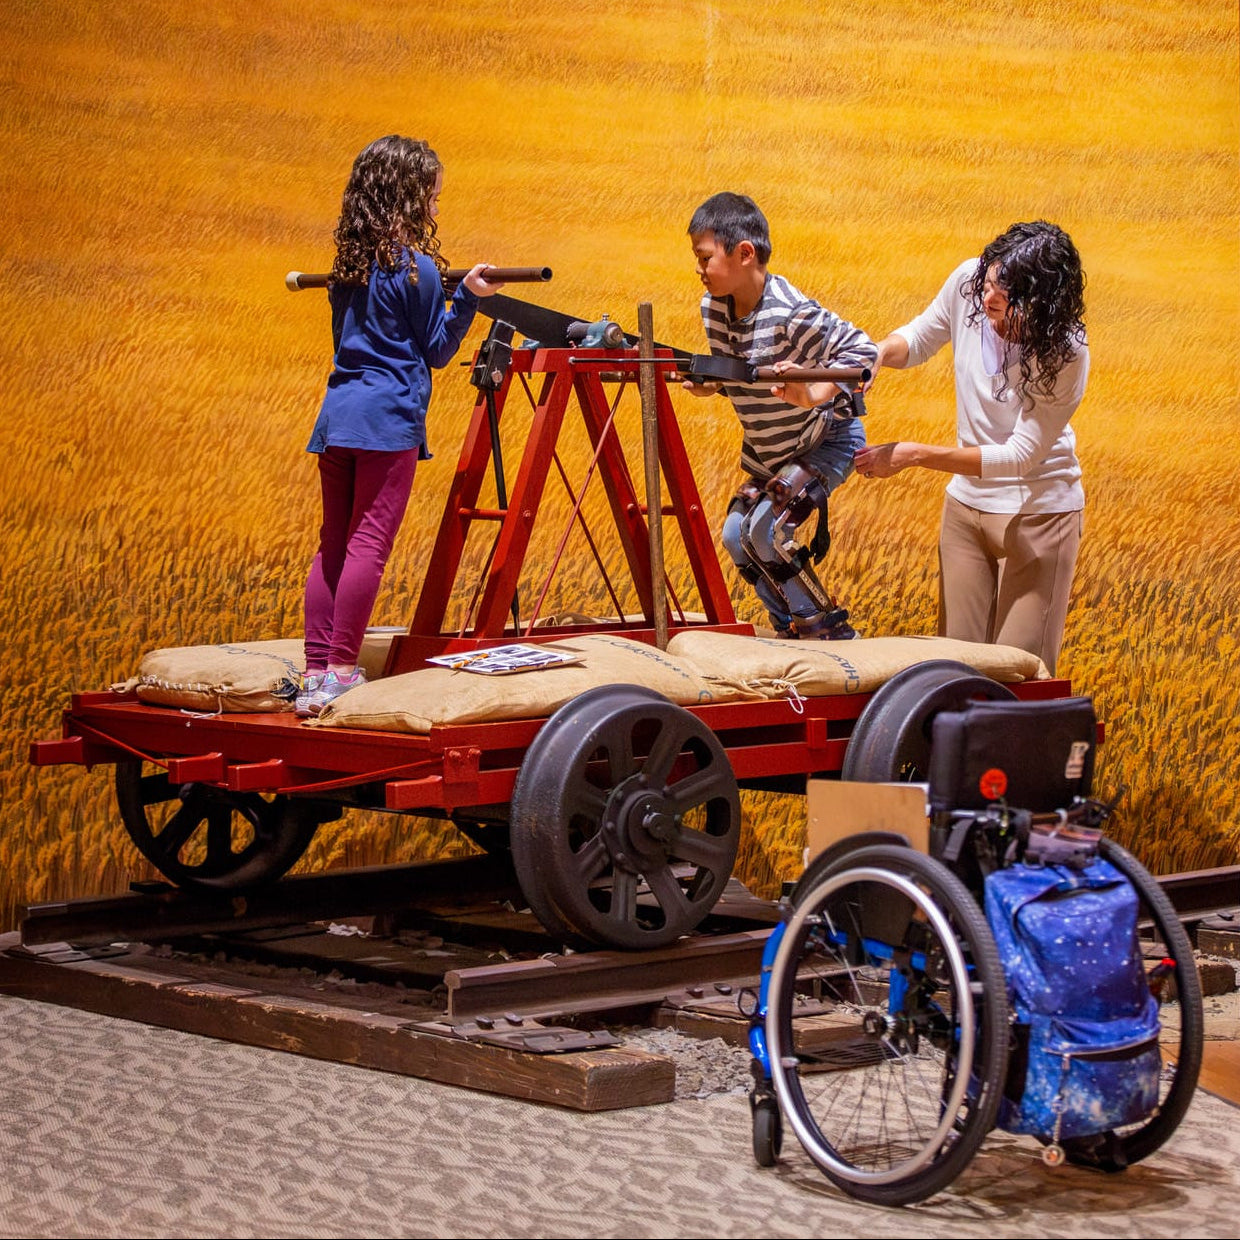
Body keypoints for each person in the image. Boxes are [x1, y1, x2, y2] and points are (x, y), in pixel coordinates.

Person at [297, 135, 504, 716]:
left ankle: (316, 673)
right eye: (432, 199)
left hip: (338, 415)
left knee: (332, 543)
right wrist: (466, 298)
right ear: (409, 199)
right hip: (387, 421)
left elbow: (351, 341)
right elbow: (436, 351)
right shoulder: (417, 272)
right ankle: (341, 668)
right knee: (368, 544)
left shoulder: (346, 272)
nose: (436, 209)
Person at [854, 220, 1088, 674]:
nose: (986, 304)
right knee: (954, 671)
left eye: (1002, 304)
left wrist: (916, 455)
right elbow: (920, 338)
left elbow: (1020, 456)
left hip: (1039, 513)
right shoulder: (971, 283)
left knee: (1017, 676)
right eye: (987, 288)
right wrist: (880, 352)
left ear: (1041, 309)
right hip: (966, 509)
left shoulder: (1067, 352)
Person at [686, 192, 877, 640]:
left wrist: (813, 393)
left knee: (767, 531)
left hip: (826, 441)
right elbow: (740, 370)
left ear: (744, 253)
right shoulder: (712, 308)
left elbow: (863, 352)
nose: (698, 269)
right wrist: (712, 383)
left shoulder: (791, 313)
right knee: (737, 535)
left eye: (705, 257)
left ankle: (825, 629)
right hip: (769, 452)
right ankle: (788, 626)